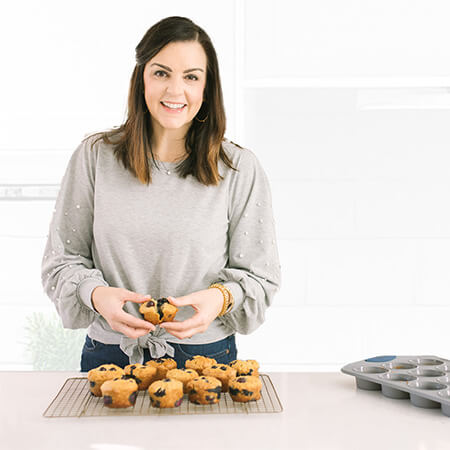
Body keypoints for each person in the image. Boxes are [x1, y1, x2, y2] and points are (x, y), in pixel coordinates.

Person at [41, 16, 281, 372]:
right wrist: (97, 295)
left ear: (206, 88)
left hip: (207, 359)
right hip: (109, 357)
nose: (175, 91)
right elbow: (61, 261)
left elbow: (261, 277)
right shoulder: (94, 157)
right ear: (141, 79)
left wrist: (220, 298)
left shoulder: (239, 168)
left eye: (191, 77)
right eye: (161, 73)